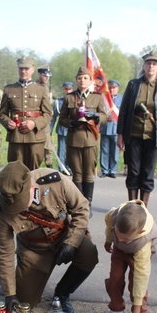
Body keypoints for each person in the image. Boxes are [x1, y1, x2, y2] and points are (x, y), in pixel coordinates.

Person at [0, 161, 98, 313]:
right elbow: (4, 253)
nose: (16, 208)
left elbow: (81, 208)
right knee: (24, 303)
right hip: (34, 251)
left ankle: (62, 293)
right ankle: (24, 279)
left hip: (64, 237)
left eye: (20, 202)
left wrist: (71, 242)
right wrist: (9, 294)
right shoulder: (3, 212)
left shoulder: (55, 181)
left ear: (31, 186)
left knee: (88, 254)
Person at [117, 51, 157, 206]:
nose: (151, 66)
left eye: (154, 64)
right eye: (148, 63)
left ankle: (143, 208)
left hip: (153, 136)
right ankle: (132, 206)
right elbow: (124, 111)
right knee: (133, 172)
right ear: (144, 65)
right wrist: (120, 134)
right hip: (133, 134)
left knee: (148, 173)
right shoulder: (134, 85)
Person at [103, 200, 157, 313]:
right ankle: (116, 308)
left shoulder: (143, 244)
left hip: (137, 253)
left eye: (125, 239)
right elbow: (108, 224)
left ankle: (139, 312)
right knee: (115, 278)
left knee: (136, 282)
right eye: (119, 235)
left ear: (141, 231)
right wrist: (109, 239)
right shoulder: (113, 215)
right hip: (118, 251)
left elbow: (141, 277)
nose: (121, 240)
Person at [58, 66, 107, 216]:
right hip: (74, 140)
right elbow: (62, 119)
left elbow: (105, 117)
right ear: (76, 81)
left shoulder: (97, 97)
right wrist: (71, 123)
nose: (82, 80)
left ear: (90, 80)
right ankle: (78, 205)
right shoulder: (69, 98)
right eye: (79, 78)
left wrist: (96, 115)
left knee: (88, 174)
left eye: (85, 78)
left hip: (90, 140)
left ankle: (88, 204)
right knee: (77, 174)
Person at [0, 56, 52, 171]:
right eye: (21, 68)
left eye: (26, 68)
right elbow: (2, 114)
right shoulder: (9, 89)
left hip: (35, 137)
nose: (23, 71)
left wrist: (34, 123)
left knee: (33, 171)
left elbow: (47, 114)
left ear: (32, 69)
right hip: (16, 136)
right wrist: (8, 122)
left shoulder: (41, 89)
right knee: (16, 171)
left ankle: (32, 190)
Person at [99, 79, 123, 178]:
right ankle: (104, 170)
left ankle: (112, 170)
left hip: (116, 128)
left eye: (114, 87)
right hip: (105, 127)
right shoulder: (103, 98)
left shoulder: (122, 99)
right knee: (104, 150)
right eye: (110, 87)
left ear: (117, 88)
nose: (112, 89)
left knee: (115, 151)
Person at [50, 81, 74, 175]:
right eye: (66, 89)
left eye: (69, 89)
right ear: (63, 89)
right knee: (61, 149)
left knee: (71, 150)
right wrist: (49, 131)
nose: (68, 91)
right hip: (61, 130)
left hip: (72, 129)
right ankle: (62, 167)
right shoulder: (58, 102)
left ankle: (70, 167)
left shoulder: (75, 100)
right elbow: (53, 118)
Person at [36, 64, 54, 168]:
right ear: (39, 74)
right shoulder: (34, 87)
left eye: (48, 76)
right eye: (44, 75)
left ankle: (49, 167)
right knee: (37, 147)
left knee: (48, 147)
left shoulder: (46, 88)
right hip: (37, 120)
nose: (47, 78)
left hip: (45, 121)